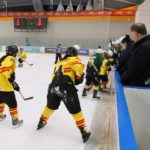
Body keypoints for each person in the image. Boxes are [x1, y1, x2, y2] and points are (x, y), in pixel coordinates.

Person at [37, 46, 91, 143]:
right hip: (66, 87)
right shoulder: (74, 59)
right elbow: (79, 69)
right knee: (75, 110)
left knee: (50, 106)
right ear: (75, 53)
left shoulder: (60, 62)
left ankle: (42, 121)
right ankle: (84, 131)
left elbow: (54, 76)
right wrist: (80, 76)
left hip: (53, 86)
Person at [0, 45, 23, 126]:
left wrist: (12, 80)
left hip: (0, 85)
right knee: (13, 104)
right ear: (13, 52)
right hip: (6, 86)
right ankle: (15, 119)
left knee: (1, 101)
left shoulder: (3, 58)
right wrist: (10, 79)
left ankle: (0, 115)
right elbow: (5, 68)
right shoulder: (10, 58)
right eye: (16, 52)